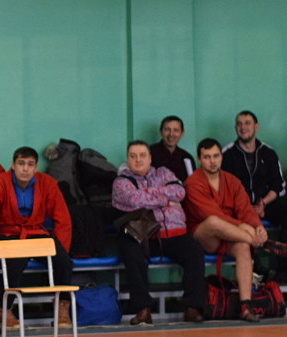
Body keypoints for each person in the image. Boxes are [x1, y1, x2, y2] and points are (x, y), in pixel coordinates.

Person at [0, 146, 75, 327]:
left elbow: (63, 218)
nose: (25, 169)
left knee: (64, 260)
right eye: (21, 163)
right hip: (8, 234)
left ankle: (62, 307)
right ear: (13, 165)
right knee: (17, 259)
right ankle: (3, 308)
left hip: (36, 233)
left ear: (36, 167)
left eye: (30, 164)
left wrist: (60, 247)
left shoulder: (48, 183)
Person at [111, 140, 207, 325]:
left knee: (194, 251)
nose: (138, 160)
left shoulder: (163, 172)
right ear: (128, 160)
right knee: (130, 252)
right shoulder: (121, 181)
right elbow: (134, 200)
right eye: (133, 156)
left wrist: (149, 193)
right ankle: (143, 309)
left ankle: (193, 308)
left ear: (150, 158)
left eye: (142, 155)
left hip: (174, 233)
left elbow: (179, 192)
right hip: (142, 236)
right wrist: (165, 198)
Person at [184, 139, 267, 323]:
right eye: (207, 157)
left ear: (221, 157)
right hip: (204, 236)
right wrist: (244, 228)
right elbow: (209, 214)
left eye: (216, 156)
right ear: (199, 159)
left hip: (231, 235)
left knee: (243, 247)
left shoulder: (232, 180)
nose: (212, 161)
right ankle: (261, 243)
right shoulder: (193, 183)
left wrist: (257, 226)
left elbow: (246, 210)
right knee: (213, 221)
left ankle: (245, 306)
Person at [220, 110, 287, 247]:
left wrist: (263, 203)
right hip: (239, 207)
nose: (243, 127)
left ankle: (284, 255)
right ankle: (252, 259)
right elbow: (224, 188)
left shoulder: (268, 153)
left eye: (247, 123)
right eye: (239, 124)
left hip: (265, 204)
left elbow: (278, 185)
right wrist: (247, 208)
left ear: (256, 127)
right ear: (235, 128)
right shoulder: (227, 154)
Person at [150, 115, 196, 182]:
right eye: (167, 130)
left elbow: (192, 183)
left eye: (176, 130)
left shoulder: (187, 157)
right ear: (161, 132)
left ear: (182, 133)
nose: (171, 134)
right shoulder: (149, 154)